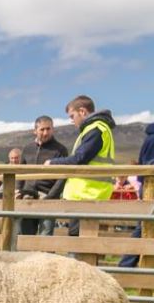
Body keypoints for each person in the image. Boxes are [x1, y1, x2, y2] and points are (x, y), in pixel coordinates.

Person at [45, 95, 116, 237]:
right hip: (88, 193)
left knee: (79, 239)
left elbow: (79, 159)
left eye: (72, 116)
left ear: (82, 112)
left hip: (87, 193)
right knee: (82, 239)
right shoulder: (94, 129)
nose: (71, 121)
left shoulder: (96, 129)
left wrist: (52, 163)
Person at [17, 116, 68, 236]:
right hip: (27, 196)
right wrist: (18, 190)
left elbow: (63, 176)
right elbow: (20, 171)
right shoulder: (27, 148)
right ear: (35, 131)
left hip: (48, 195)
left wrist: (51, 196)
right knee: (26, 235)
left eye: (49, 129)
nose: (46, 132)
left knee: (46, 236)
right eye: (42, 129)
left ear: (53, 129)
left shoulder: (60, 150)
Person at [118, 124, 154, 268]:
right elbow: (150, 165)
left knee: (143, 228)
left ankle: (125, 266)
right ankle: (125, 267)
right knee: (144, 228)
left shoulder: (149, 139)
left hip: (147, 187)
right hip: (150, 188)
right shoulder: (152, 140)